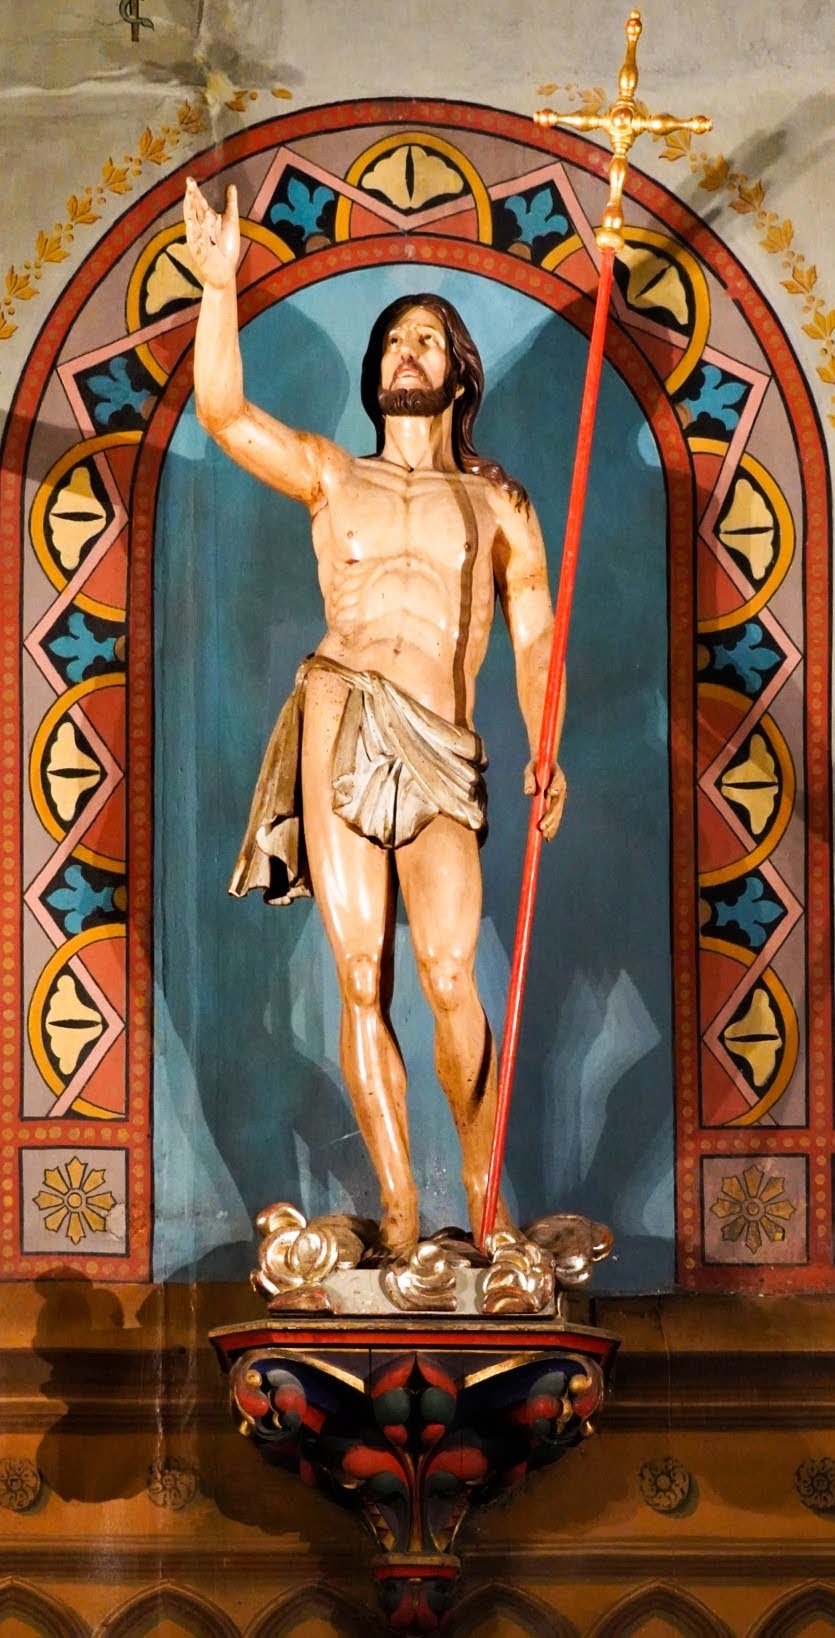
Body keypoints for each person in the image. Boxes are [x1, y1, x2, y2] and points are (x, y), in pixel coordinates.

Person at [184, 178, 567, 1253]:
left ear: (458, 374)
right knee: (361, 974)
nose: (406, 352)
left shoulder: (497, 504)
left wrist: (548, 746)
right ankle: (399, 1214)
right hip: (341, 709)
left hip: (443, 740)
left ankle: (483, 1204)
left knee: (450, 976)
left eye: (427, 340)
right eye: (394, 339)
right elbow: (223, 414)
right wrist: (219, 288)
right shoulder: (329, 475)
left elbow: (534, 638)